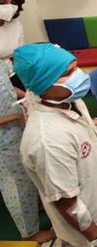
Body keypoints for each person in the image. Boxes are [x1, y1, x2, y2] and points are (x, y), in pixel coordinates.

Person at [13, 43, 97, 247]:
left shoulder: (71, 100)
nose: (79, 75)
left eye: (76, 67)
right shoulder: (47, 140)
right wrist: (96, 236)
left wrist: (94, 124)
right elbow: (66, 201)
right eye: (68, 73)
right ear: (43, 83)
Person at [0, 60, 55, 244]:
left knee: (29, 172)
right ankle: (29, 232)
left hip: (17, 131)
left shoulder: (1, 63)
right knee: (16, 185)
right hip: (3, 142)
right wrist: (16, 116)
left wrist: (27, 98)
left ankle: (33, 205)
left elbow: (7, 88)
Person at [0, 0, 26, 93]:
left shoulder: (15, 23)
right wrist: (22, 95)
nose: (9, 7)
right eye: (2, 3)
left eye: (14, 3)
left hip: (11, 72)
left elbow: (20, 52)